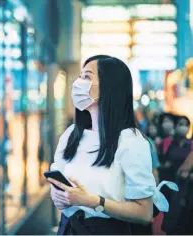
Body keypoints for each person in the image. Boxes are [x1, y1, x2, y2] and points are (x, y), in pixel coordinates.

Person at [47, 55, 175, 235]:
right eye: (80, 76)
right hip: (68, 228)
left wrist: (93, 201)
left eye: (87, 77)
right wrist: (60, 197)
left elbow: (144, 213)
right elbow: (57, 184)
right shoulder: (71, 135)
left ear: (109, 87)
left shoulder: (131, 141)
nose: (78, 83)